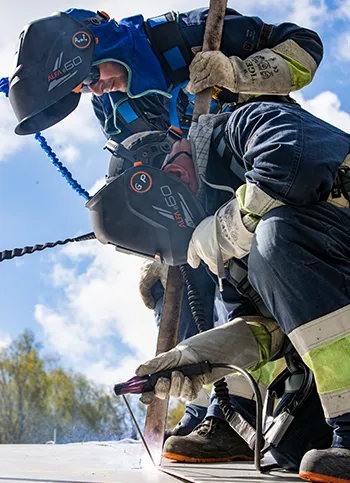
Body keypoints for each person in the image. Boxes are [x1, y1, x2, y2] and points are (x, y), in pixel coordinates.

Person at [8, 4, 325, 465]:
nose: (94, 88)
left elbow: (305, 48)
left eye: (91, 76)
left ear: (94, 42)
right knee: (171, 278)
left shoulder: (186, 34)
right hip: (199, 205)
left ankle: (240, 409)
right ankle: (209, 410)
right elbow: (134, 162)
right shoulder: (110, 103)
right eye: (82, 87)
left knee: (236, 283)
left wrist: (236, 72)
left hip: (263, 179)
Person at [109, 98, 350, 482]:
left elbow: (294, 161)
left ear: (170, 169)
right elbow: (265, 333)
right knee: (294, 447)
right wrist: (197, 357)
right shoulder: (231, 263)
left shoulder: (242, 126)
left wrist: (228, 227)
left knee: (276, 237)